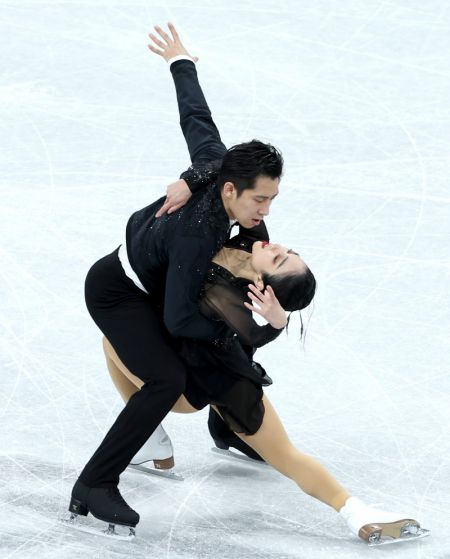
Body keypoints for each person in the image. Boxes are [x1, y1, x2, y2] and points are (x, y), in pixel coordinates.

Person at [68, 23, 285, 533]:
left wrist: (179, 61)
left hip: (164, 278)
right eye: (260, 200)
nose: (267, 209)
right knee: (169, 378)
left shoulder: (216, 165)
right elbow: (180, 317)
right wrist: (238, 339)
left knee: (240, 295)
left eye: (273, 198)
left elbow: (196, 116)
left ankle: (226, 428)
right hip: (120, 292)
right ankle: (95, 483)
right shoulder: (195, 233)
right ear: (232, 191)